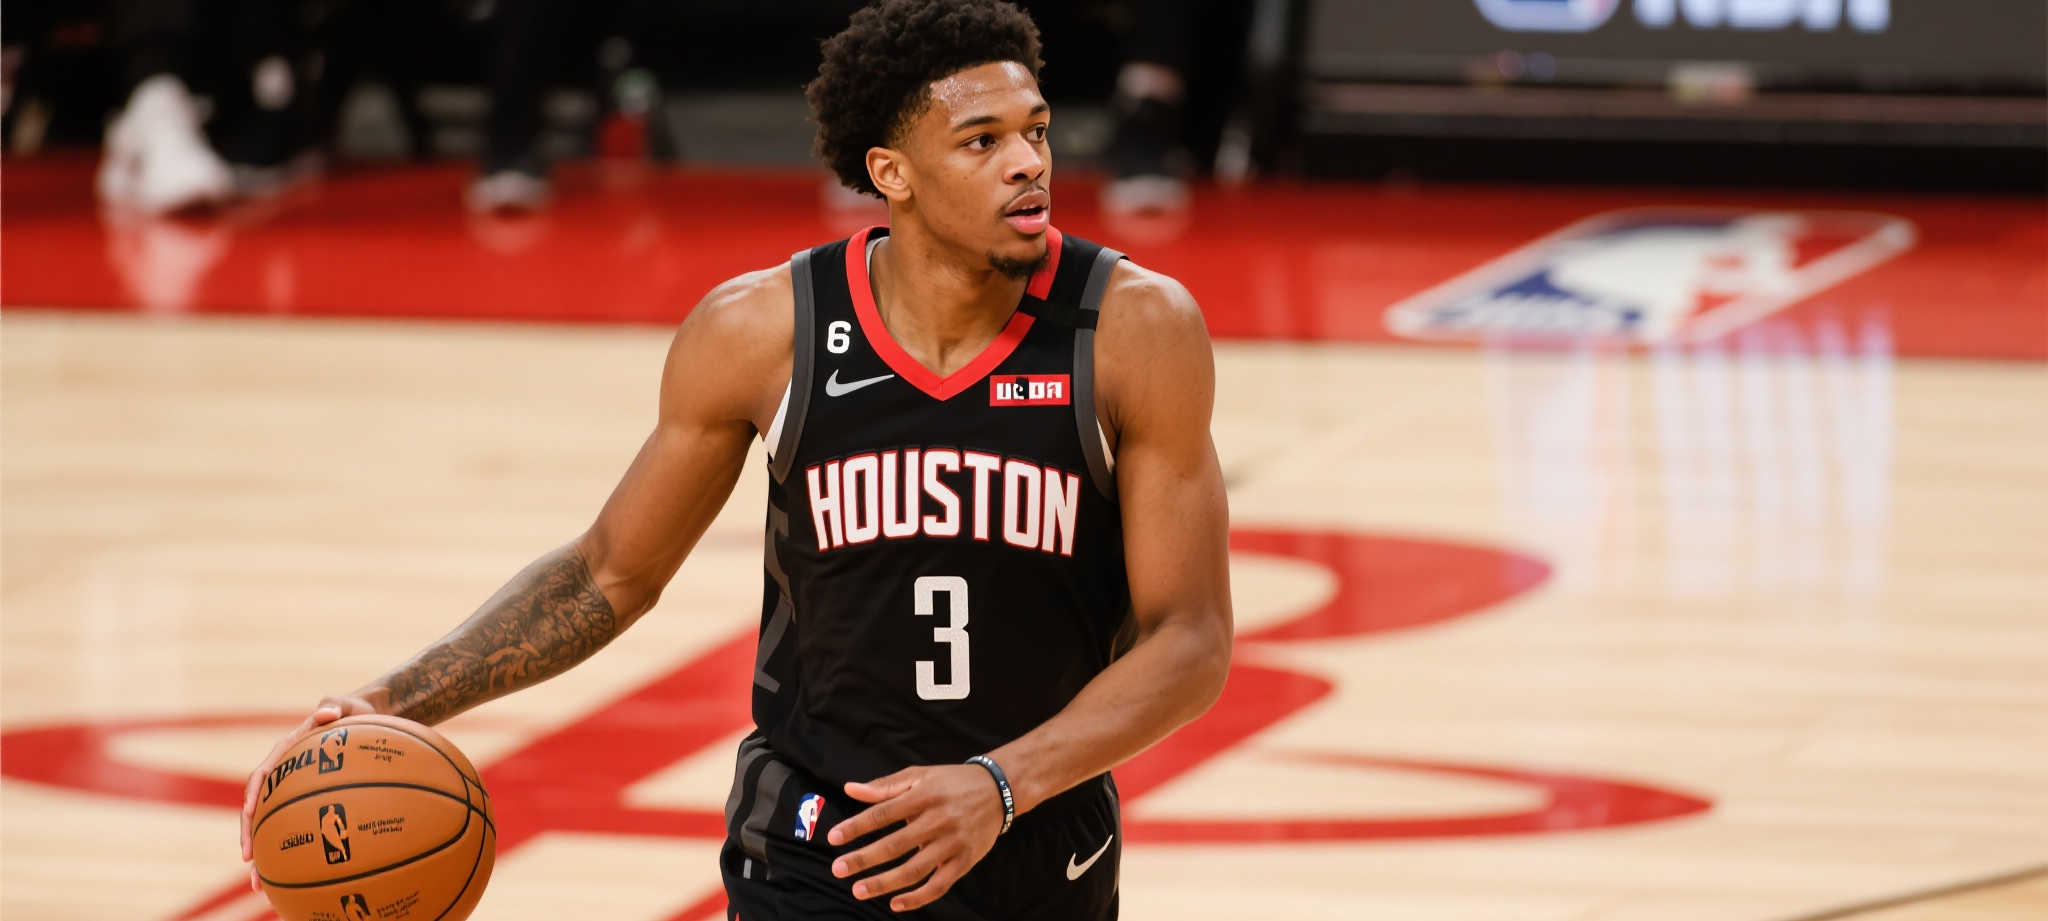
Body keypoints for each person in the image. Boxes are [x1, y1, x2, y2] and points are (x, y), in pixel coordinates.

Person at [238, 1, 1233, 918]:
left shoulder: (1132, 329)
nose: (1027, 163)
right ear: (891, 173)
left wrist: (999, 785)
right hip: (812, 842)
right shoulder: (765, 331)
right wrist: (392, 700)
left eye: (1036, 131)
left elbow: (1188, 638)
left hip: (1036, 833)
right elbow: (608, 573)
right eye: (983, 141)